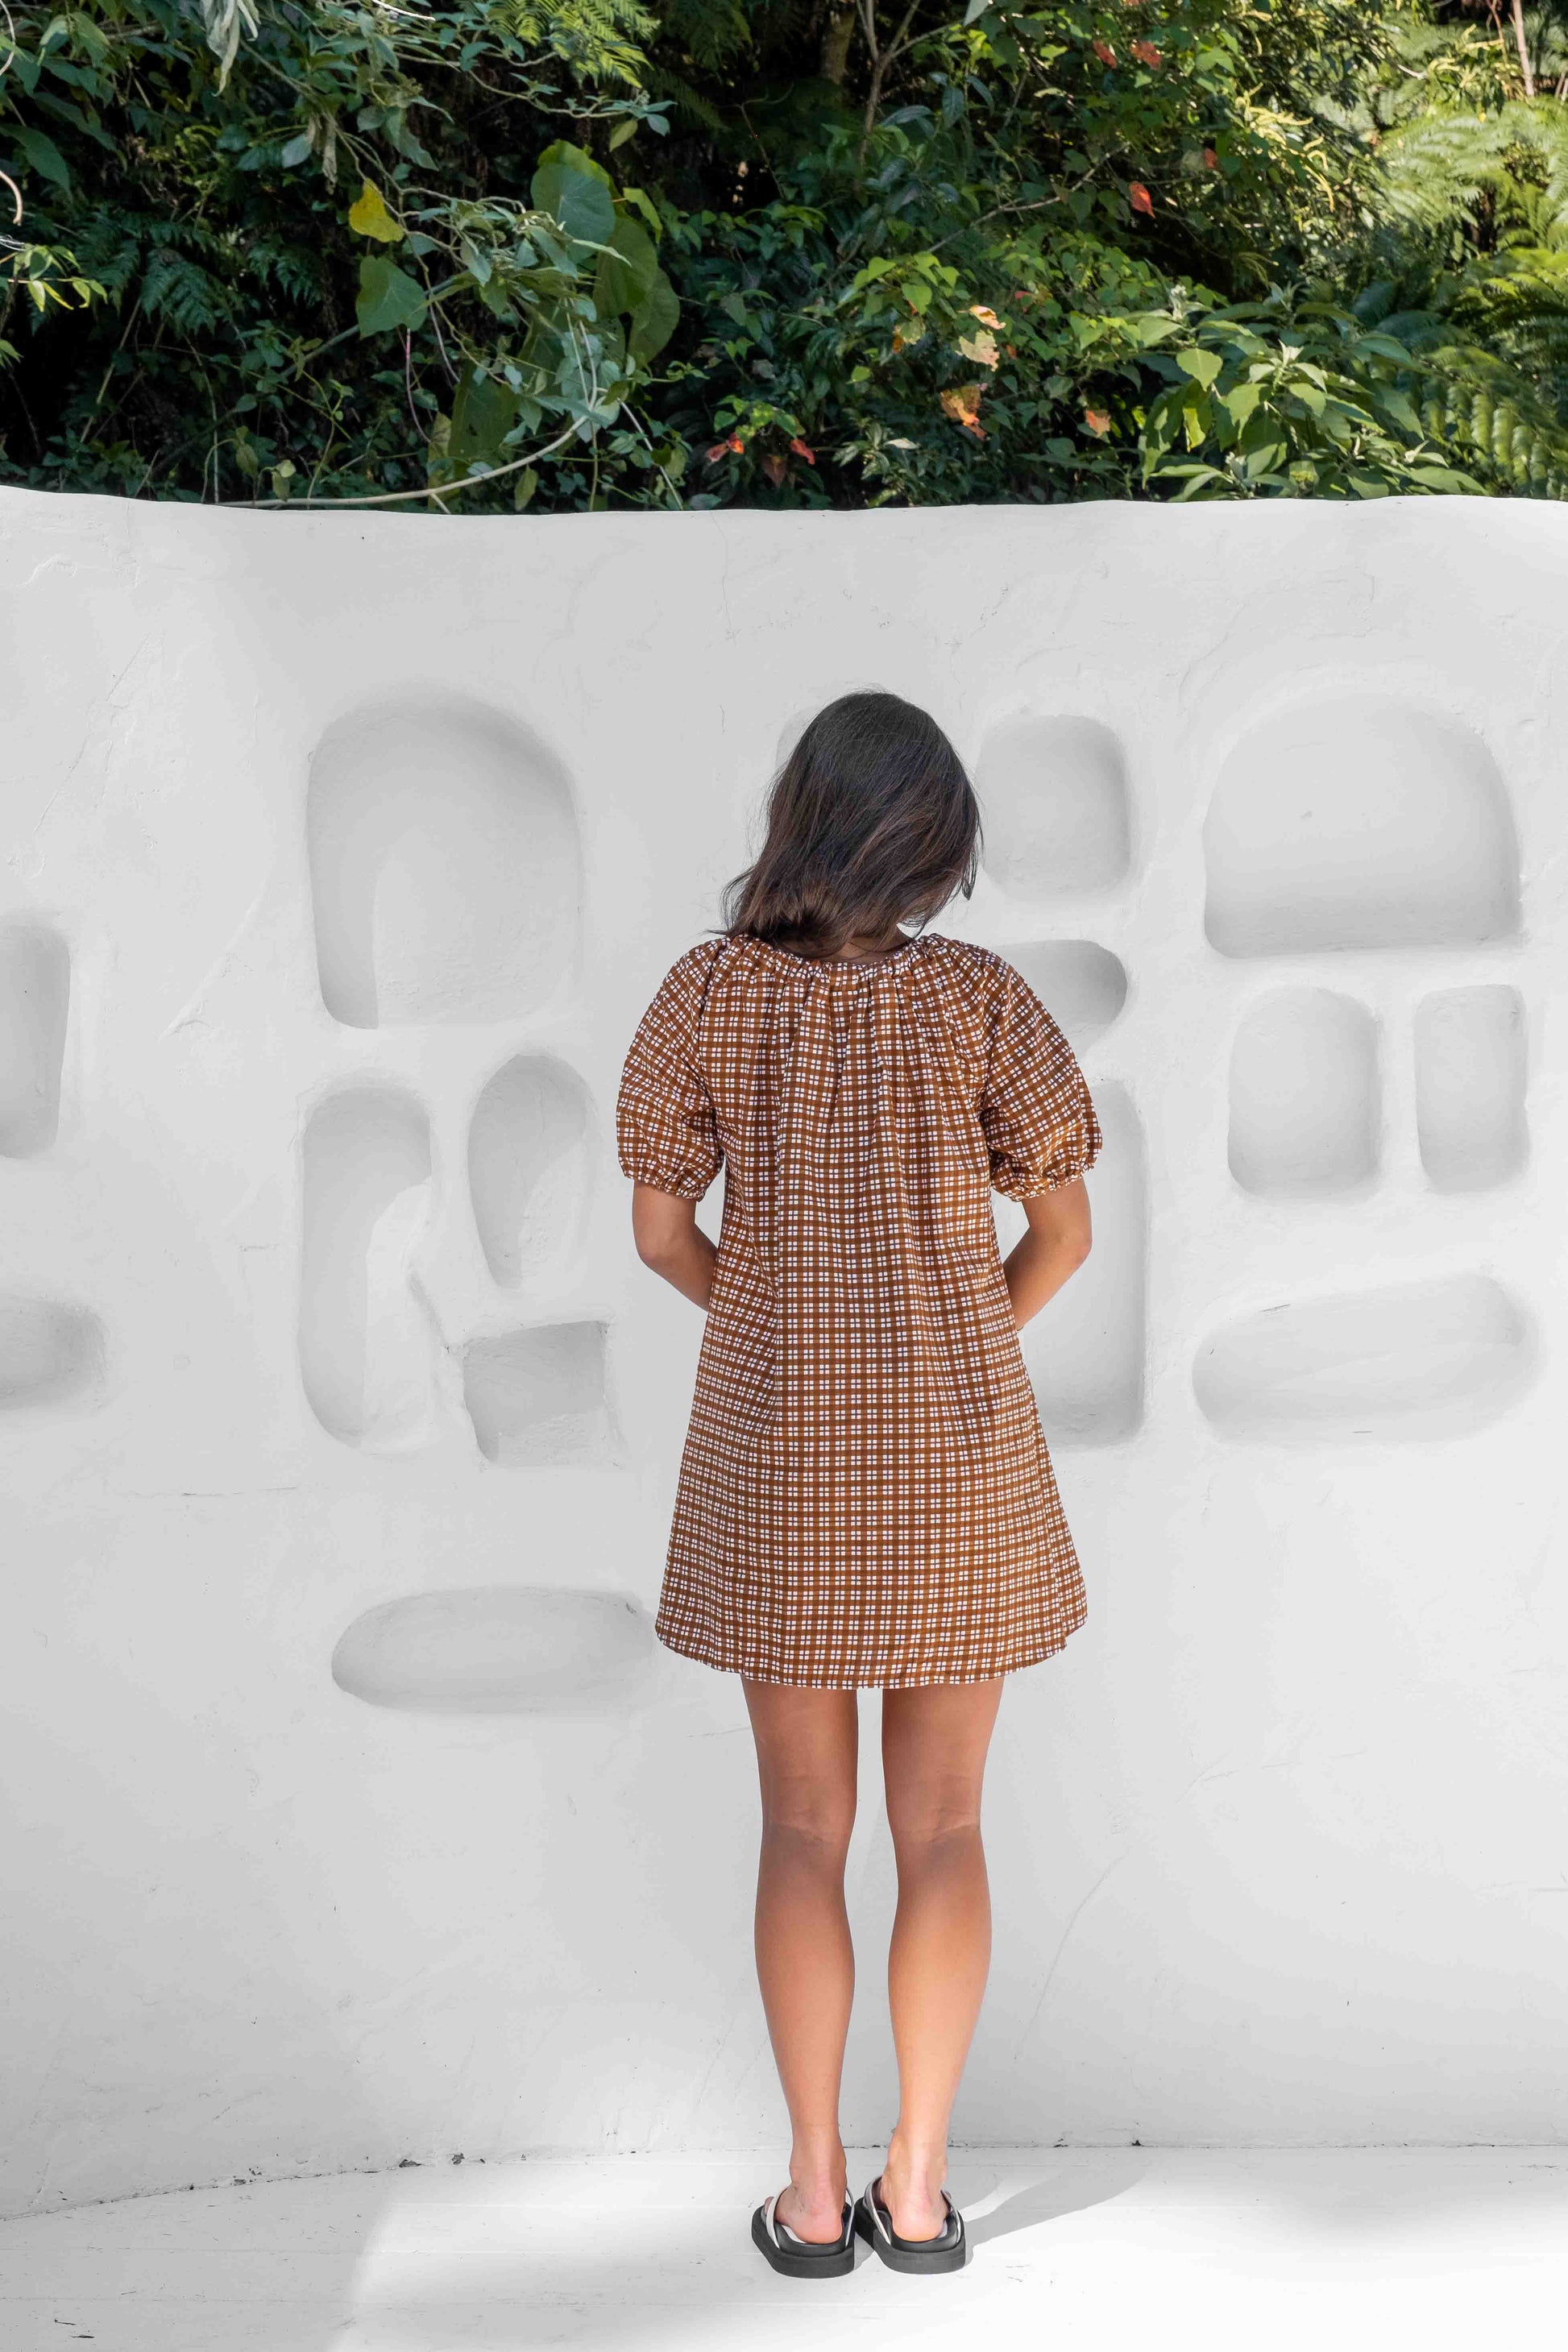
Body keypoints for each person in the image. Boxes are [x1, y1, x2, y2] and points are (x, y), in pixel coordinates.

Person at [614, 688, 1103, 2279]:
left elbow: (657, 1231)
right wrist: (943, 1347)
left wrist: (784, 1338)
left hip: (776, 1467)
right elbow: (1066, 1235)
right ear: (933, 848)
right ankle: (917, 2185)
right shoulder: (979, 1002)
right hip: (959, 1465)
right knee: (945, 1822)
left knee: (801, 1825)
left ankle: (812, 2192)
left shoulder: (703, 994)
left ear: (802, 820)